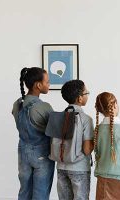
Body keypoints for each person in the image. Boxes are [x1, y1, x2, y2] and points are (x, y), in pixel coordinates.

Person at [12, 67, 55, 200]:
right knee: (40, 195)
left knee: (24, 192)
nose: (49, 84)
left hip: (23, 153)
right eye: (47, 82)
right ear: (38, 85)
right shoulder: (44, 107)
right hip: (41, 154)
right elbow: (54, 132)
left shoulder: (17, 104)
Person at [55, 80, 94, 200]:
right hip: (79, 168)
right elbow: (87, 150)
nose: (87, 95)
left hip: (61, 166)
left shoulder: (58, 117)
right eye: (86, 93)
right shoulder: (86, 119)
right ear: (79, 98)